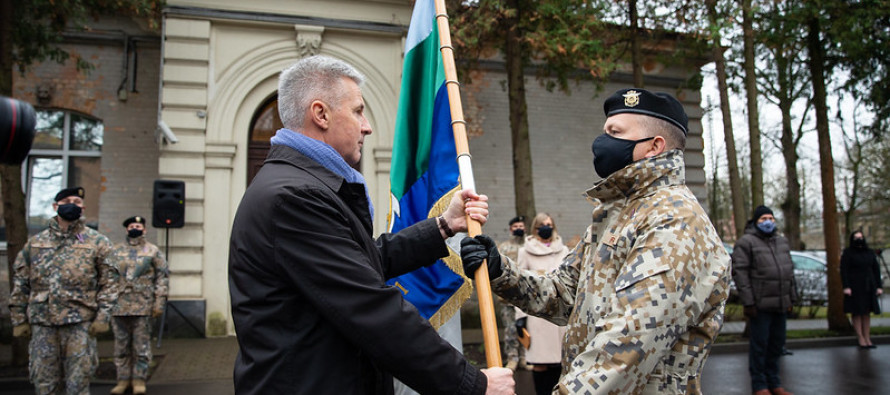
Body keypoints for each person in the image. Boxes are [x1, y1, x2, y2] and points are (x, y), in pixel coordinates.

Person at [228, 55, 514, 395]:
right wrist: (474, 385)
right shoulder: (295, 197)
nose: (367, 126)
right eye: (358, 110)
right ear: (321, 114)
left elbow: (363, 262)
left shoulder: (298, 186)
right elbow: (371, 308)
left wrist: (443, 225)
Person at [461, 88, 732, 394]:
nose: (601, 142)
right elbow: (563, 295)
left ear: (655, 146)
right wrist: (500, 271)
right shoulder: (614, 215)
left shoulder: (675, 221)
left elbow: (629, 344)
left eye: (615, 133)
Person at [9, 186, 118, 395]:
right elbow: (21, 281)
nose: (71, 205)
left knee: (78, 383)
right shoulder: (36, 243)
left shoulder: (98, 242)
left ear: (83, 207)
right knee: (44, 383)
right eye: (66, 201)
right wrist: (18, 319)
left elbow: (110, 283)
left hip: (80, 324)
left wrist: (103, 317)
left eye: (76, 202)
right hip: (43, 324)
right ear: (55, 206)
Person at [731, 205, 796, 395]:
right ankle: (759, 385)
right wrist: (748, 301)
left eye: (770, 218)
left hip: (781, 303)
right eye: (763, 219)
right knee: (760, 346)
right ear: (756, 221)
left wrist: (791, 298)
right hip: (760, 305)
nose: (768, 222)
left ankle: (775, 382)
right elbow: (740, 273)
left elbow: (789, 271)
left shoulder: (782, 242)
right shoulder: (746, 242)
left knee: (777, 345)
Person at [108, 215, 169, 395]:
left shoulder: (152, 251)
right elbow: (108, 277)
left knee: (141, 347)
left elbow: (162, 278)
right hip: (119, 307)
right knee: (121, 347)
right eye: (132, 226)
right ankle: (122, 380)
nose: (135, 228)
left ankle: (139, 380)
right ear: (127, 229)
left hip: (143, 306)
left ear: (145, 230)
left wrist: (159, 303)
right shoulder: (116, 250)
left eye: (139, 225)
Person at [514, 213, 568, 394]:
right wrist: (520, 317)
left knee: (560, 364)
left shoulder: (564, 250)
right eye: (543, 225)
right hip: (537, 315)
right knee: (540, 363)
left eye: (550, 224)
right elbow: (519, 285)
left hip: (560, 316)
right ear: (535, 229)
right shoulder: (525, 251)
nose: (547, 228)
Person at [841, 230, 883, 349]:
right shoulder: (848, 253)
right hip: (855, 286)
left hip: (868, 285)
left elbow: (876, 270)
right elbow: (844, 271)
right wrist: (846, 286)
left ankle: (867, 337)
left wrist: (878, 286)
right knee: (857, 312)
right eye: (856, 238)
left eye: (861, 237)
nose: (859, 240)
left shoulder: (869, 252)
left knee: (866, 312)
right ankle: (860, 337)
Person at [497, 215, 527, 371]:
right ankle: (512, 358)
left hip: (526, 297)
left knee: (526, 329)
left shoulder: (530, 246)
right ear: (510, 229)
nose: (519, 229)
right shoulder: (503, 248)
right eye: (516, 227)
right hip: (508, 297)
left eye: (521, 226)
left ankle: (524, 358)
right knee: (510, 329)